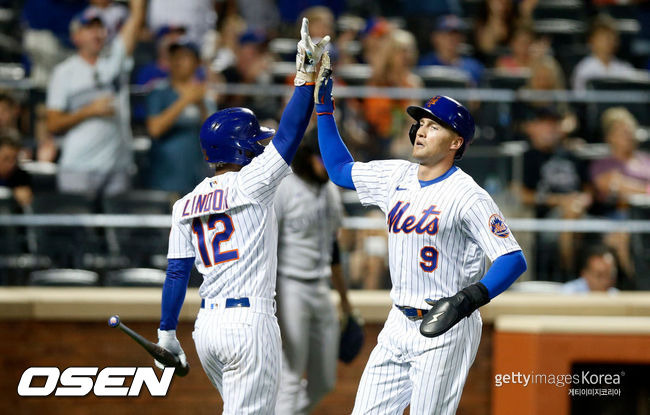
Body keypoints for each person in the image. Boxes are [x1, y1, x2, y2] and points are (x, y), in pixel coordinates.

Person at [314, 69, 527, 412]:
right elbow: (339, 169)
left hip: (447, 324)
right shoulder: (395, 176)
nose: (422, 130)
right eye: (421, 123)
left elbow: (513, 258)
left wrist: (467, 300)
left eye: (434, 126)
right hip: (398, 320)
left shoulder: (468, 196)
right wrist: (324, 110)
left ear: (456, 142)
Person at [155, 19, 330, 413]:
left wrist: (167, 332)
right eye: (253, 144)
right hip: (249, 323)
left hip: (207, 330)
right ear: (241, 149)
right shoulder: (252, 183)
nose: (259, 149)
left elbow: (177, 273)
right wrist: (305, 77)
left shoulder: (184, 203)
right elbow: (289, 134)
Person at [274, 137, 353, 414]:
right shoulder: (284, 187)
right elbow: (268, 248)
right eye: (320, 159)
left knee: (325, 382)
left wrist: (346, 304)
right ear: (307, 159)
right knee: (291, 375)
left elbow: (333, 250)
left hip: (321, 286)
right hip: (288, 284)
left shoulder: (330, 190)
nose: (325, 166)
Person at [46, 0, 146, 198]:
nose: (97, 33)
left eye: (100, 28)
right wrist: (89, 111)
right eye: (89, 28)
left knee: (115, 227)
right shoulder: (64, 72)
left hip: (117, 167)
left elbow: (133, 25)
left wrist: (137, 7)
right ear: (76, 37)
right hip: (78, 167)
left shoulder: (114, 62)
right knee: (78, 226)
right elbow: (53, 123)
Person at [520, 106, 591, 279]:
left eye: (554, 125)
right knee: (569, 218)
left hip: (580, 211)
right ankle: (570, 276)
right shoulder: (529, 157)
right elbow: (523, 195)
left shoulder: (571, 154)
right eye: (546, 124)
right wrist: (560, 201)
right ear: (534, 128)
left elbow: (588, 188)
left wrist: (583, 199)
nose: (551, 129)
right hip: (548, 219)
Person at [590, 107, 650, 278]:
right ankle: (638, 284)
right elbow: (605, 186)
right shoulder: (602, 164)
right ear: (610, 137)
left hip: (646, 214)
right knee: (621, 237)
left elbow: (619, 185)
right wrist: (645, 187)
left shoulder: (646, 160)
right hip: (616, 216)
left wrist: (625, 184)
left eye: (630, 131)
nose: (629, 135)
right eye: (622, 132)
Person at [145, 39, 209, 194]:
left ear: (197, 63)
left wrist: (200, 104)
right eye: (174, 56)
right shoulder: (158, 92)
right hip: (164, 179)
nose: (178, 62)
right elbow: (154, 129)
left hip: (197, 181)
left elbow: (212, 135)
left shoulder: (205, 97)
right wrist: (185, 100)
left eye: (185, 57)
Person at [572, 14, 639, 91]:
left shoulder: (626, 69)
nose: (608, 41)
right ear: (591, 40)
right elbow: (581, 99)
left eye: (611, 37)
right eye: (603, 37)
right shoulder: (584, 69)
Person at [419, 15, 484, 86]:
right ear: (435, 37)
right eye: (446, 34)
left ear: (463, 38)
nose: (452, 39)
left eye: (456, 35)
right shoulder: (423, 64)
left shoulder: (473, 67)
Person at [0, 135, 32, 209]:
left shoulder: (21, 176)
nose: (11, 164)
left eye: (14, 159)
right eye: (6, 159)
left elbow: (26, 201)